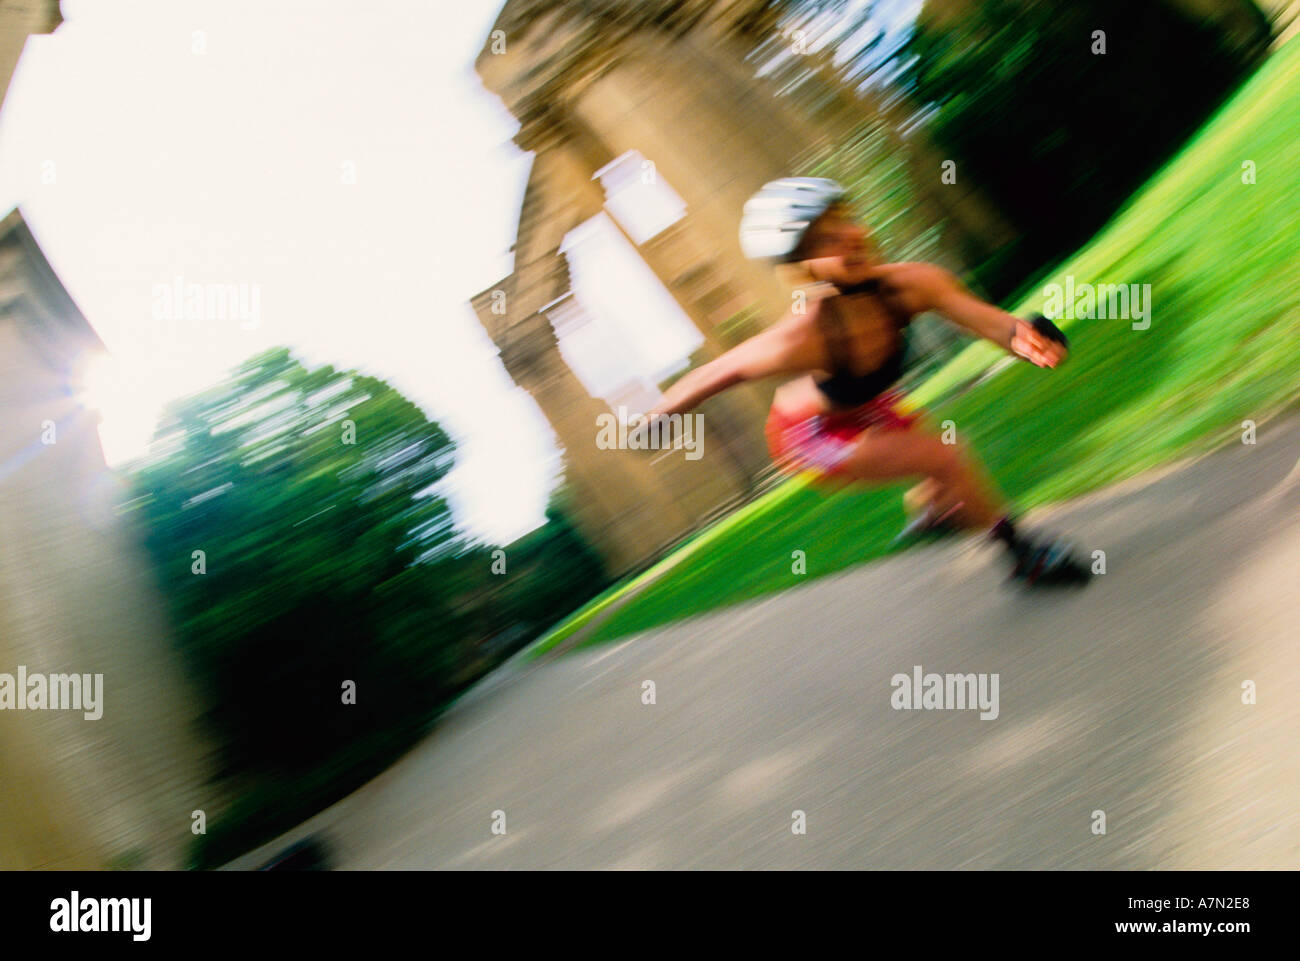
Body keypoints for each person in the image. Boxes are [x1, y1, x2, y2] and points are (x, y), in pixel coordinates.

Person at [642, 177, 1089, 586]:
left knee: (932, 458)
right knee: (946, 457)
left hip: (869, 405)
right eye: (824, 240)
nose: (849, 239)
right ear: (804, 269)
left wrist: (1025, 339)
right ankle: (1023, 556)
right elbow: (718, 371)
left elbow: (991, 323)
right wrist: (659, 417)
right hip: (806, 434)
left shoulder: (914, 285)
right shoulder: (805, 335)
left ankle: (932, 513)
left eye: (844, 221)